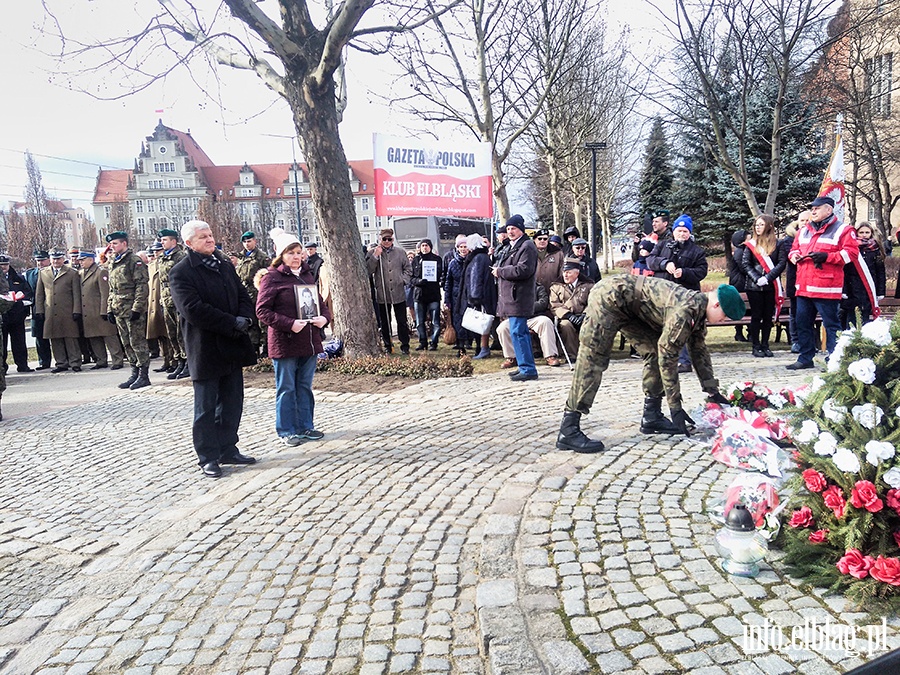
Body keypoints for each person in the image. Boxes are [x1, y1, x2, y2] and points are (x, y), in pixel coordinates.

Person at [555, 276, 743, 453]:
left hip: (630, 307)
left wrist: (712, 391)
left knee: (653, 351)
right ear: (716, 304)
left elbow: (699, 350)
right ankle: (569, 429)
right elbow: (668, 356)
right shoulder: (686, 310)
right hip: (609, 297)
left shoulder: (699, 309)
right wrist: (675, 406)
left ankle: (652, 416)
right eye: (725, 316)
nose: (723, 321)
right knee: (593, 357)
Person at [169, 220, 258, 477]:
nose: (210, 240)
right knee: (206, 407)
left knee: (232, 402)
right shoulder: (181, 272)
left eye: (210, 235)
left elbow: (243, 294)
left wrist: (246, 318)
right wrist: (232, 322)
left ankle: (227, 448)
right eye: (203, 237)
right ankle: (208, 456)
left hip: (232, 343)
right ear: (189, 243)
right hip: (205, 347)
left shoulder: (223, 265)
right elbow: (193, 310)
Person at [256, 228, 331, 447]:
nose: (296, 256)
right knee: (286, 388)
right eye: (291, 253)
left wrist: (323, 319)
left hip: (308, 341)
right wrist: (289, 324)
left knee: (304, 386)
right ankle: (287, 430)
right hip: (285, 342)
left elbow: (320, 304)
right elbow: (262, 311)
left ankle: (306, 426)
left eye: (299, 252)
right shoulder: (272, 277)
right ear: (281, 255)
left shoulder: (307, 275)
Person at [787, 196, 862, 370]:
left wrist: (827, 257)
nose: (813, 211)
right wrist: (794, 257)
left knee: (832, 325)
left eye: (817, 208)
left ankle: (834, 359)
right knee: (803, 324)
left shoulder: (843, 230)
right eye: (812, 208)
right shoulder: (804, 230)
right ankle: (805, 358)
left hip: (827, 288)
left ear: (829, 210)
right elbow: (793, 250)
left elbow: (851, 254)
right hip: (804, 287)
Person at [646, 214, 708, 373]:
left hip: (685, 297)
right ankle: (664, 360)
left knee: (681, 329)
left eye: (685, 231)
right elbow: (650, 260)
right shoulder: (662, 245)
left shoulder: (696, 251)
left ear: (689, 233)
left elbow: (701, 271)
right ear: (673, 231)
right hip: (663, 295)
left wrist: (685, 272)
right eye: (679, 230)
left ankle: (684, 362)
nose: (682, 234)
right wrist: (664, 264)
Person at [493, 214, 539, 381]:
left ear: (521, 229)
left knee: (519, 332)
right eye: (509, 229)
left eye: (514, 228)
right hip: (513, 297)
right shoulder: (514, 246)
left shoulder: (526, 246)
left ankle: (528, 369)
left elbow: (523, 269)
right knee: (517, 332)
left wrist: (500, 271)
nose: (510, 231)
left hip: (519, 297)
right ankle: (523, 366)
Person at [106, 231, 152, 389]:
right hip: (118, 308)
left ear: (124, 243)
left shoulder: (134, 261)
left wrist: (137, 308)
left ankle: (143, 375)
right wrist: (109, 308)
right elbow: (112, 289)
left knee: (137, 341)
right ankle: (134, 373)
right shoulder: (113, 261)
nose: (112, 247)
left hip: (131, 307)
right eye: (111, 244)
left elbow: (141, 285)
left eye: (115, 243)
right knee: (126, 342)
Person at [740, 214, 786, 358]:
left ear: (769, 226)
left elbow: (781, 263)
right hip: (754, 287)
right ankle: (756, 346)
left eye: (761, 224)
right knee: (756, 316)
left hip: (770, 285)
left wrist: (768, 278)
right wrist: (757, 278)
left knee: (768, 316)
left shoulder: (778, 244)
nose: (758, 227)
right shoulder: (751, 244)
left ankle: (765, 345)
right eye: (756, 225)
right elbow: (746, 264)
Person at [35, 249, 83, 373]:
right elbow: (39, 294)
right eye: (53, 258)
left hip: (67, 310)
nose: (56, 261)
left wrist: (76, 310)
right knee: (55, 337)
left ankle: (75, 362)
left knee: (70, 337)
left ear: (63, 259)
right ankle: (61, 363)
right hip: (50, 310)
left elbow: (77, 293)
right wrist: (39, 310)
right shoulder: (43, 273)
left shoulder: (71, 273)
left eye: (58, 258)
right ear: (50, 259)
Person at [367, 228, 412, 354]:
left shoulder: (400, 252)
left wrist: (403, 280)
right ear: (380, 239)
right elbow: (369, 271)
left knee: (402, 321)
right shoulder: (373, 253)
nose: (387, 242)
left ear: (392, 240)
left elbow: (408, 269)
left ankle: (405, 345)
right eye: (384, 239)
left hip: (398, 292)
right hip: (383, 292)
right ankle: (387, 345)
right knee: (385, 321)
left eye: (389, 239)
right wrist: (375, 256)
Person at [79, 250, 125, 370]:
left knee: (109, 336)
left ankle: (117, 360)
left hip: (99, 310)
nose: (81, 262)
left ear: (91, 259)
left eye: (83, 259)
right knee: (94, 337)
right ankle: (101, 360)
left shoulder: (100, 272)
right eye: (80, 260)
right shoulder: (81, 273)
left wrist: (105, 310)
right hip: (88, 312)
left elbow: (105, 293)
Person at [497, 281, 561, 368]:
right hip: (516, 317)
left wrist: (526, 308)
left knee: (546, 322)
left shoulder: (538, 287)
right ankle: (512, 357)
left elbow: (543, 302)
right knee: (502, 327)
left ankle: (550, 356)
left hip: (534, 317)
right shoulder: (510, 288)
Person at [156, 228, 190, 379]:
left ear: (174, 241)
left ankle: (188, 362)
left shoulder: (181, 256)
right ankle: (179, 361)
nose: (162, 243)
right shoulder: (162, 257)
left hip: (177, 299)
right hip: (166, 299)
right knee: (171, 334)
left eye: (164, 240)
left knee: (181, 332)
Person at [840, 222, 885, 328]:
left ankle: (863, 341)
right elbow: (844, 271)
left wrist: (880, 292)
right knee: (851, 318)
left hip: (869, 288)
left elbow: (880, 273)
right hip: (852, 289)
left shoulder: (876, 250)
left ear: (871, 233)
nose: (864, 235)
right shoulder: (850, 249)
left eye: (867, 232)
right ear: (856, 233)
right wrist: (844, 289)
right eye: (861, 232)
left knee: (865, 317)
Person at [460, 233, 497, 360]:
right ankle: (483, 348)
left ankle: (484, 348)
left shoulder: (478, 258)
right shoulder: (483, 256)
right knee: (484, 322)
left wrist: (474, 297)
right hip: (484, 294)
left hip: (480, 296)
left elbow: (476, 278)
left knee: (482, 322)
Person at [236, 231, 272, 358]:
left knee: (263, 323)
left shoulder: (262, 257)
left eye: (249, 241)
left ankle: (267, 350)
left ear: (255, 241)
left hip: (258, 293)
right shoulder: (241, 258)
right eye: (245, 242)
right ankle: (253, 350)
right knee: (251, 323)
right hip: (245, 295)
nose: (247, 244)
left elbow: (269, 275)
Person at [550, 259, 595, 360]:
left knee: (590, 325)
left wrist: (585, 314)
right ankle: (572, 355)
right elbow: (554, 305)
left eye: (568, 272)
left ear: (577, 273)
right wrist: (568, 315)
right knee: (565, 325)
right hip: (566, 317)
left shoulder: (588, 285)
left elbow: (593, 302)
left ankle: (589, 354)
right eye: (564, 272)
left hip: (585, 316)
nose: (565, 275)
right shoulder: (556, 287)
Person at [0, 255, 34, 373]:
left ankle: (22, 365)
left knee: (19, 343)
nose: (3, 267)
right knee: (2, 345)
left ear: (9, 265)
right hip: (2, 316)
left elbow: (28, 293)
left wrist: (21, 304)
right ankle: (3, 368)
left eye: (5, 264)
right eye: (0, 265)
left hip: (17, 316)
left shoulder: (18, 278)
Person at [410, 238, 443, 351]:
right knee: (419, 321)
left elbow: (440, 274)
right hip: (419, 295)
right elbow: (411, 278)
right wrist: (418, 281)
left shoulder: (437, 259)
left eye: (426, 245)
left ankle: (434, 342)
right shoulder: (415, 260)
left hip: (433, 294)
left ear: (430, 247)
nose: (424, 247)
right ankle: (422, 342)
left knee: (435, 321)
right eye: (423, 245)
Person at [146, 242, 174, 372]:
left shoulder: (167, 264)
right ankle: (166, 361)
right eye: (154, 251)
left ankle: (174, 361)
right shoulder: (151, 266)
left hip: (165, 300)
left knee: (170, 334)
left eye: (158, 251)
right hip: (154, 304)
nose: (156, 253)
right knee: (161, 335)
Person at [24, 251, 53, 369]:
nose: (40, 263)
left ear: (48, 260)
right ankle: (44, 362)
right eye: (38, 260)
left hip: (53, 307)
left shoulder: (54, 272)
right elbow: (27, 292)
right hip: (37, 309)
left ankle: (64, 360)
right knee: (39, 336)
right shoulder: (30, 274)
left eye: (42, 260)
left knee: (59, 335)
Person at [443, 235, 470, 356]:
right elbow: (448, 282)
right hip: (455, 297)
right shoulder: (453, 263)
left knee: (469, 321)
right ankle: (460, 347)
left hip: (469, 295)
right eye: (461, 247)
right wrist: (446, 300)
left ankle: (472, 343)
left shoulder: (472, 261)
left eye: (465, 247)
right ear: (457, 248)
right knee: (457, 321)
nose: (463, 249)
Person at [780, 219, 801, 352]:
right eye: (802, 220)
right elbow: (791, 258)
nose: (805, 222)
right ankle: (795, 341)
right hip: (794, 282)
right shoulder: (789, 240)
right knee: (794, 312)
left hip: (811, 283)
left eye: (807, 220)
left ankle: (808, 341)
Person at [727, 229, 749, 343]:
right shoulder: (740, 251)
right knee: (741, 307)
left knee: (748, 308)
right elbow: (744, 267)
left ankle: (748, 332)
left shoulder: (744, 250)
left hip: (741, 281)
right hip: (739, 282)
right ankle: (739, 332)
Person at [534, 229, 563, 294]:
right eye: (540, 239)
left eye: (545, 239)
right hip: (533, 292)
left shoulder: (557, 253)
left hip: (552, 291)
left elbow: (561, 272)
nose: (542, 241)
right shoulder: (528, 252)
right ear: (534, 240)